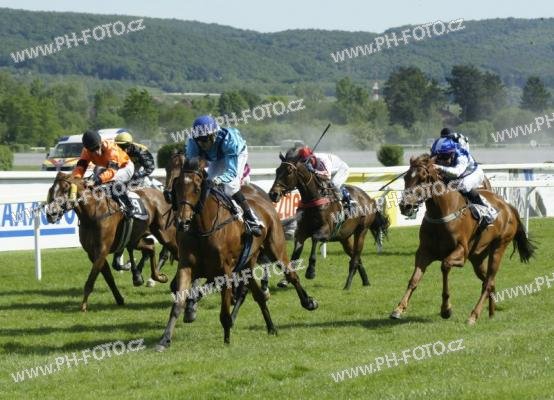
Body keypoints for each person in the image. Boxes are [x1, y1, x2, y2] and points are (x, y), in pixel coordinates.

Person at [185, 115, 264, 237]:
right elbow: (191, 169)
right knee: (206, 183)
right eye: (198, 139)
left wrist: (218, 180)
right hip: (216, 158)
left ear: (213, 135)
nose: (201, 143)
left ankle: (252, 219)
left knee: (230, 187)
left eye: (204, 139)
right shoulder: (193, 143)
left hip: (237, 153)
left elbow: (231, 172)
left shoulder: (229, 140)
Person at [430, 136, 497, 227]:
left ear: (452, 153)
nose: (441, 160)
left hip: (473, 173)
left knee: (464, 185)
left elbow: (457, 172)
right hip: (459, 175)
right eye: (439, 156)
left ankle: (488, 210)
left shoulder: (461, 155)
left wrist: (440, 167)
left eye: (444, 157)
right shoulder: (441, 153)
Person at [72, 130, 136, 219]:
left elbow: (112, 172)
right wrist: (75, 179)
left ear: (100, 143)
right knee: (92, 182)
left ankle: (130, 206)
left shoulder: (111, 148)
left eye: (97, 147)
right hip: (106, 167)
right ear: (87, 149)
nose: (96, 152)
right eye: (92, 150)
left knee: (111, 181)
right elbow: (80, 167)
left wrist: (96, 180)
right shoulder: (86, 151)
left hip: (125, 167)